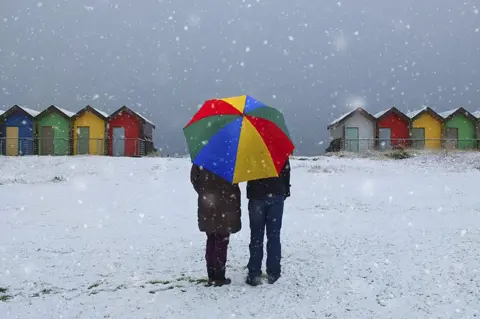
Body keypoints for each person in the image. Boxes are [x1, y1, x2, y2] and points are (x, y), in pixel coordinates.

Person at [190, 164, 241, 287]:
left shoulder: (203, 158)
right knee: (222, 241)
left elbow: (194, 179)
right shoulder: (231, 160)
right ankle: (219, 275)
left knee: (211, 239)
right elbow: (236, 180)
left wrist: (204, 191)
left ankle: (211, 273)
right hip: (226, 206)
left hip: (208, 205)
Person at [245, 159, 291, 286]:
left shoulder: (250, 151)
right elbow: (286, 171)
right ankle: (274, 272)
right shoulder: (278, 150)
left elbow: (244, 173)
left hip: (256, 196)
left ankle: (254, 273)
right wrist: (285, 190)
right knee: (274, 236)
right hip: (276, 194)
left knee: (256, 236)